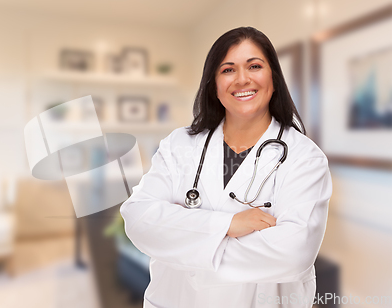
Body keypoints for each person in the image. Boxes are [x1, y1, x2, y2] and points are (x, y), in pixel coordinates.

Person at [120, 27, 332, 308]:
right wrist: (227, 225)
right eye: (228, 70)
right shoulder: (179, 145)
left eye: (254, 66)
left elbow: (293, 253)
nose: (242, 79)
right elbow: (138, 218)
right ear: (214, 84)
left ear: (273, 78)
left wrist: (183, 240)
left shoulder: (304, 157)